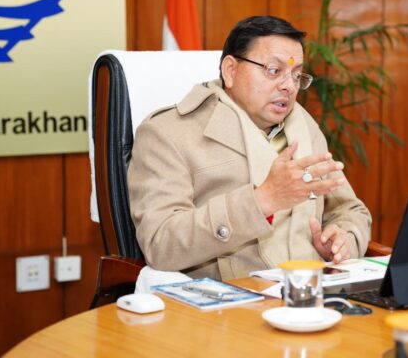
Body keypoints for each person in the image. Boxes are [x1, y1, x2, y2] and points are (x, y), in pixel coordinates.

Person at [128, 15, 371, 280]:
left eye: (296, 75)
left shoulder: (303, 125)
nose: (289, 86)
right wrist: (262, 200)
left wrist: (342, 240)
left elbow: (349, 210)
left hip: (313, 290)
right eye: (273, 70)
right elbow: (161, 244)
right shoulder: (169, 133)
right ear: (230, 71)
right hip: (232, 297)